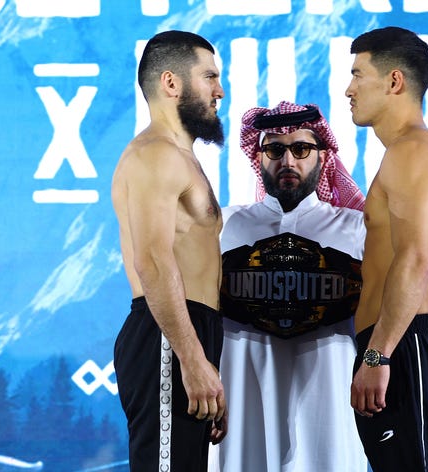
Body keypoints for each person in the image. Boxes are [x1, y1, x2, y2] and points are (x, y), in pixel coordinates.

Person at [210, 101, 368, 472]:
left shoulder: (357, 230)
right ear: (259, 156)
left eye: (301, 149)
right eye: (274, 150)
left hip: (330, 399)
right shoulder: (223, 228)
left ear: (322, 155)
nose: (288, 161)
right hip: (242, 399)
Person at [345, 27, 428, 471]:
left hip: (402, 345)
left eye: (358, 75)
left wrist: (379, 353)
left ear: (394, 81)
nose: (348, 89)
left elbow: (416, 259)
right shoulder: (409, 151)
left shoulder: (412, 150)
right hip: (398, 345)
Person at [111, 30, 227, 472]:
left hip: (187, 334)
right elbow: (154, 262)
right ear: (171, 83)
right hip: (167, 336)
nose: (220, 90)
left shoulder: (180, 155)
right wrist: (192, 359)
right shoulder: (154, 155)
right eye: (209, 77)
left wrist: (206, 362)